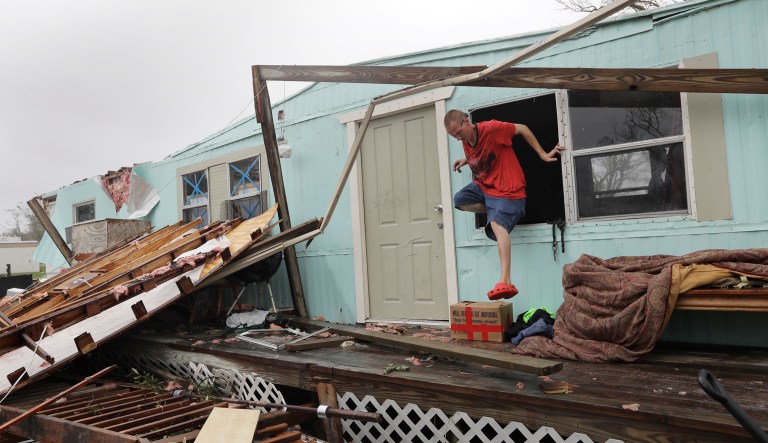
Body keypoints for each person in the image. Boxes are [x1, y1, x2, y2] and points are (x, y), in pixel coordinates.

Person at [444, 109, 564, 300]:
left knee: (497, 225)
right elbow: (483, 151)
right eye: (453, 136)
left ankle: (505, 280)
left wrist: (543, 154)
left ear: (466, 121)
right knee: (459, 200)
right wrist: (466, 160)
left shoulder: (492, 129)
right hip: (487, 188)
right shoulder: (466, 141)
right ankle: (496, 209)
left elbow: (522, 128)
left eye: (458, 132)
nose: (458, 138)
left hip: (509, 191)